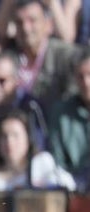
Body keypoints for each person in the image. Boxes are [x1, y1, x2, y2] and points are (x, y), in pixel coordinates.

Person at [6, 0, 81, 111]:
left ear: (48, 25)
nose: (25, 28)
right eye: (19, 22)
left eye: (32, 20)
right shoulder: (8, 59)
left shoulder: (67, 57)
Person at [0, 108, 75, 189]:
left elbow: (68, 185)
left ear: (28, 139)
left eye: (15, 135)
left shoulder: (42, 163)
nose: (9, 141)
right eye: (4, 136)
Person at [46, 48, 90, 191]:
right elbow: (57, 161)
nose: (86, 82)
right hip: (74, 189)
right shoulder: (61, 112)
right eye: (80, 76)